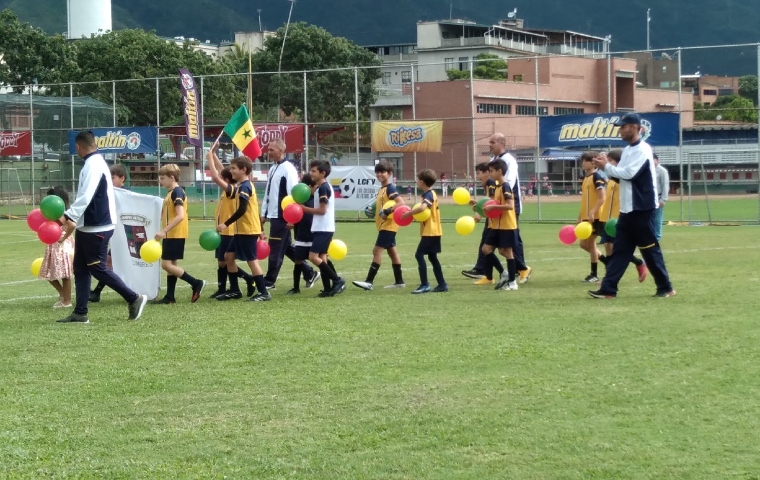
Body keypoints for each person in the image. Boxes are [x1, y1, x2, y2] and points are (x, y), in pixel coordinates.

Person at [57, 130, 147, 323]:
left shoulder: (94, 165)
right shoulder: (94, 163)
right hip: (88, 226)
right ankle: (80, 313)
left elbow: (86, 196)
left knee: (97, 267)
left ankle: (134, 298)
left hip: (97, 226)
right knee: (80, 268)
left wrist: (67, 215)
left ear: (78, 147)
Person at [589, 112, 675, 299]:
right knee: (620, 250)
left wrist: (606, 167)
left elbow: (628, 174)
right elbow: (620, 176)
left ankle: (665, 287)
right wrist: (605, 166)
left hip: (642, 209)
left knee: (650, 250)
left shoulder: (643, 150)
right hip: (628, 210)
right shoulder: (628, 150)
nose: (620, 130)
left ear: (635, 128)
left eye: (624, 126)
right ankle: (608, 289)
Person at [259, 138, 319, 290]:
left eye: (272, 149)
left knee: (275, 247)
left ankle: (270, 280)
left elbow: (294, 195)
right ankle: (309, 272)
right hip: (274, 215)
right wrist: (264, 213)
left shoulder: (288, 169)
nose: (269, 152)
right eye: (269, 149)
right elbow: (268, 193)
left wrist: (291, 219)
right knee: (285, 247)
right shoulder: (273, 168)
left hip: (282, 216)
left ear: (281, 150)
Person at [213, 154, 272, 302]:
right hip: (242, 230)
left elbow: (243, 209)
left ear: (243, 170)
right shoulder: (241, 185)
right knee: (228, 256)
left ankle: (264, 292)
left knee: (252, 261)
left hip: (247, 230)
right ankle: (234, 290)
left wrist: (225, 224)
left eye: (233, 168)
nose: (231, 171)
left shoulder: (245, 186)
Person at [206, 152, 255, 299]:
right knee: (223, 261)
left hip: (229, 231)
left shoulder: (232, 190)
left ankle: (245, 279)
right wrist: (214, 155)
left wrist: (209, 159)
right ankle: (226, 288)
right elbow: (224, 171)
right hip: (223, 232)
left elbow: (216, 176)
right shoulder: (232, 187)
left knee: (224, 261)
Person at [353, 160, 406, 291]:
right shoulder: (382, 189)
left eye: (382, 172)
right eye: (377, 172)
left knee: (376, 251)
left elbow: (401, 202)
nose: (379, 174)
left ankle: (369, 281)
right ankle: (399, 281)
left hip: (388, 225)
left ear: (389, 173)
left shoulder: (390, 188)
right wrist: (372, 210)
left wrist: (388, 211)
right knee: (392, 252)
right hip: (384, 225)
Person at [487, 133, 532, 283]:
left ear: (502, 143)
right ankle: (487, 269)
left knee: (512, 241)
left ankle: (520, 269)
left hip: (507, 205)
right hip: (495, 205)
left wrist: (496, 204)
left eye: (493, 142)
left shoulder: (508, 160)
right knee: (492, 242)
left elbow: (509, 183)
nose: (490, 145)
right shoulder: (493, 160)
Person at [598, 149, 647, 282]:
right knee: (608, 246)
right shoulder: (612, 178)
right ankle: (608, 276)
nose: (608, 164)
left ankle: (639, 263)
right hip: (607, 218)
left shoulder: (622, 177)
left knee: (616, 248)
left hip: (617, 218)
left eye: (611, 161)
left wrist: (605, 164)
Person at [301, 160, 346, 297]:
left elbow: (322, 210)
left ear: (323, 173)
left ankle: (337, 280)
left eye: (314, 171)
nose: (311, 173)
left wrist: (303, 209)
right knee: (322, 257)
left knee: (313, 256)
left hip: (324, 228)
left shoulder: (324, 188)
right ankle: (327, 289)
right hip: (322, 227)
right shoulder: (321, 188)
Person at [400, 169, 448, 294]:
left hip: (430, 231)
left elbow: (422, 208)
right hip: (435, 230)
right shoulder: (431, 193)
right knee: (432, 257)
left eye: (417, 179)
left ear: (422, 181)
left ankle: (425, 284)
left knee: (419, 254)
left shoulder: (428, 194)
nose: (416, 181)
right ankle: (442, 284)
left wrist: (409, 213)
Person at [461, 162, 504, 285]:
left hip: (493, 219)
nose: (478, 176)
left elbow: (490, 201)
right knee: (491, 246)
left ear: (487, 173)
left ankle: (482, 270)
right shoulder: (488, 184)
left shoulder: (490, 183)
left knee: (490, 246)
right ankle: (487, 274)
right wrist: (477, 204)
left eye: (479, 173)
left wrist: (479, 214)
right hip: (492, 218)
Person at [89, 164, 128, 302]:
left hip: (124, 236)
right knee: (108, 261)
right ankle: (97, 292)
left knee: (110, 261)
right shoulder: (108, 193)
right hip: (111, 233)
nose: (110, 181)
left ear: (122, 178)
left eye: (113, 178)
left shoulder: (126, 194)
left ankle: (98, 292)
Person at [482, 159, 519, 291]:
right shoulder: (497, 186)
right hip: (496, 225)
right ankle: (504, 273)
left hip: (506, 225)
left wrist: (492, 207)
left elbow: (509, 206)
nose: (490, 173)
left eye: (491, 171)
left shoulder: (505, 186)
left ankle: (513, 282)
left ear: (499, 171)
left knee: (507, 252)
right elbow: (494, 204)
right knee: (486, 249)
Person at [39, 186, 74, 308]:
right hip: (53, 244)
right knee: (48, 272)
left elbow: (72, 225)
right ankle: (63, 294)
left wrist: (63, 238)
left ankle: (67, 301)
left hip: (62, 245)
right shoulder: (52, 213)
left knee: (65, 274)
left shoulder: (63, 213)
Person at [578, 151, 606, 283]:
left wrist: (592, 212)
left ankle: (594, 274)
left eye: (586, 160)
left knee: (591, 243)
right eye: (582, 160)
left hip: (595, 217)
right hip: (586, 217)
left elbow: (602, 198)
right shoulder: (585, 179)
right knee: (583, 244)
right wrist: (580, 216)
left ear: (593, 162)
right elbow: (584, 200)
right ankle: (607, 262)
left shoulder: (596, 177)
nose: (583, 163)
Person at [652, 153, 669, 240]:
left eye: (653, 159)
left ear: (657, 160)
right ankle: (651, 236)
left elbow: (665, 186)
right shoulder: (648, 170)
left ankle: (657, 237)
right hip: (649, 198)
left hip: (658, 197)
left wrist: (663, 200)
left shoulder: (662, 171)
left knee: (657, 219)